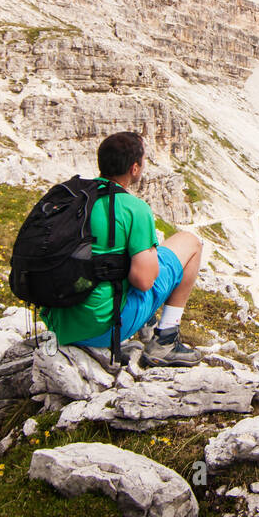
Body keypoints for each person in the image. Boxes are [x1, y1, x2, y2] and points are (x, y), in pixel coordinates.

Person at [40, 131, 203, 367]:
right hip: (101, 328)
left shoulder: (73, 198)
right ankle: (166, 340)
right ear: (134, 169)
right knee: (190, 243)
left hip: (59, 324)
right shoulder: (133, 208)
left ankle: (146, 323)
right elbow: (144, 282)